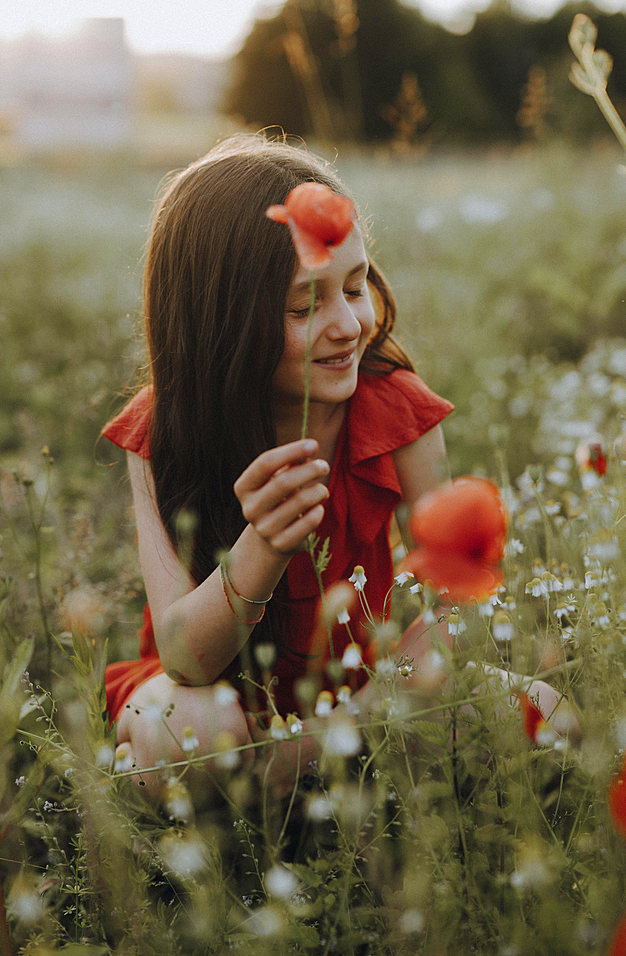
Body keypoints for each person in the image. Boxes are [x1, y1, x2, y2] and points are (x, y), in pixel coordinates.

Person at [101, 133, 565, 798]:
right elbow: (183, 657)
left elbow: (455, 609)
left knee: (546, 714)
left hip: (355, 702)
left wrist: (352, 716)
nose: (348, 324)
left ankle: (293, 782)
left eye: (356, 287)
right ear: (218, 322)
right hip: (211, 699)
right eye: (304, 305)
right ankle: (246, 814)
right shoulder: (162, 429)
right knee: (185, 732)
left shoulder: (394, 412)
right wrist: (261, 545)